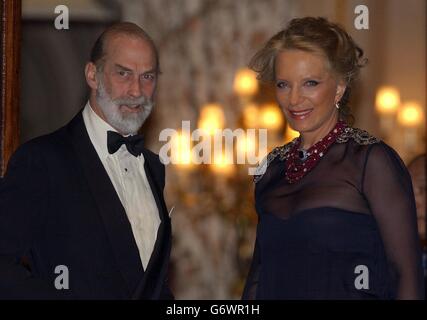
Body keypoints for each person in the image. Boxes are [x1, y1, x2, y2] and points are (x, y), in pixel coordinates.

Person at [242, 17, 424, 300]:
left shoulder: (370, 162)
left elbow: (406, 276)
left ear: (339, 87)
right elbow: (259, 279)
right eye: (283, 84)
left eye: (310, 83)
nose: (294, 99)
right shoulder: (270, 169)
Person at [0, 22, 173, 299]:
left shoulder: (153, 167)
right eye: (123, 73)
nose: (136, 91)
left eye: (148, 77)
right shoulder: (42, 161)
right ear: (93, 74)